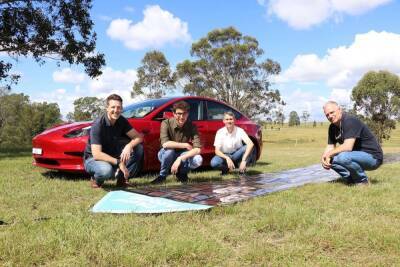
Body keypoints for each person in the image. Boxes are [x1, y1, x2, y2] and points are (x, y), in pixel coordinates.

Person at [84, 94, 144, 188]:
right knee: (106, 171)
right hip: (93, 159)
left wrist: (129, 146)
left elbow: (139, 137)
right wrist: (119, 162)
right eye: (113, 107)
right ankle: (96, 179)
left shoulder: (121, 121)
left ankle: (122, 180)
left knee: (138, 148)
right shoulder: (98, 125)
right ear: (107, 108)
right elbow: (97, 154)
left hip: (112, 155)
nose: (116, 110)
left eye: (119, 107)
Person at [321, 101, 383, 185]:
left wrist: (328, 154)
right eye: (327, 115)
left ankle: (362, 181)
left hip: (373, 158)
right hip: (356, 156)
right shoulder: (332, 127)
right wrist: (324, 158)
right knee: (330, 159)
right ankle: (351, 179)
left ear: (339, 110)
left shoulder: (350, 121)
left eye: (332, 112)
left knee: (342, 157)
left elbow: (348, 147)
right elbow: (330, 145)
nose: (330, 116)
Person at [151, 101, 203, 184]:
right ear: (174, 114)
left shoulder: (192, 126)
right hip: (165, 154)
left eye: (184, 113)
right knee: (169, 151)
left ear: (188, 114)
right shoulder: (166, 123)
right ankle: (162, 176)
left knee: (198, 159)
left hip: (181, 155)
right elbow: (165, 144)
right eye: (179, 113)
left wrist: (180, 158)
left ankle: (182, 174)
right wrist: (185, 144)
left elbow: (198, 149)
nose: (182, 117)